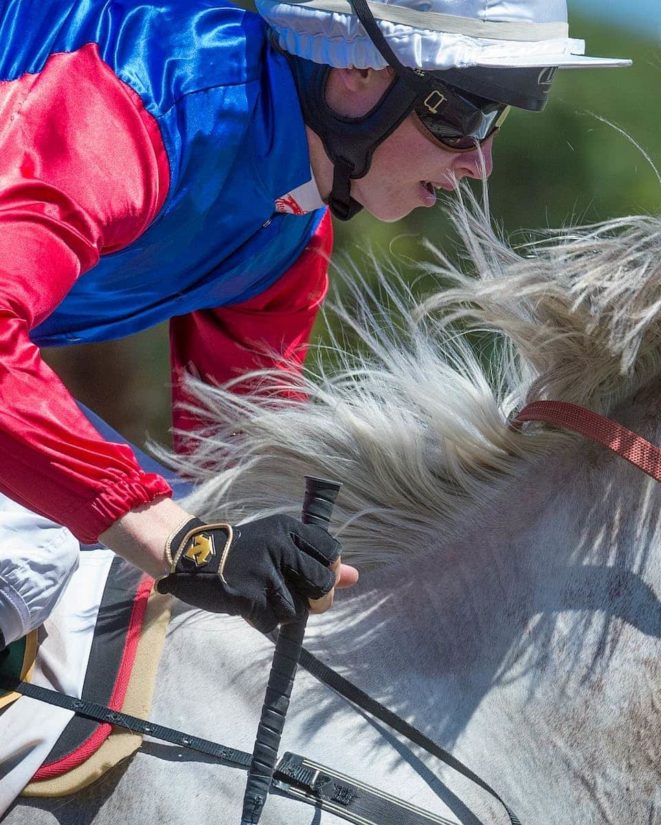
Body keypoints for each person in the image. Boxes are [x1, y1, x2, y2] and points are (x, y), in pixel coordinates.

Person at [0, 0, 628, 657]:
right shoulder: (139, 104)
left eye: (493, 121)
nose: (481, 162)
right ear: (357, 69)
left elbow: (235, 458)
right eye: (463, 115)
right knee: (41, 548)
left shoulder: (292, 227)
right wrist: (182, 543)